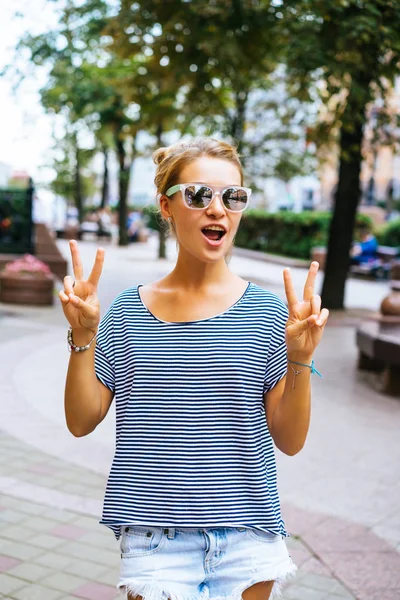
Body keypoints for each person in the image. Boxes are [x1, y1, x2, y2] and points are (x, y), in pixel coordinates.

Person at [59, 138, 329, 600]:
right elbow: (81, 421)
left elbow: (290, 440)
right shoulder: (127, 312)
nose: (218, 210)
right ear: (166, 206)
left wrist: (301, 356)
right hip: (154, 538)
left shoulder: (268, 314)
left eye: (233, 196)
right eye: (199, 195)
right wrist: (83, 335)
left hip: (249, 534)